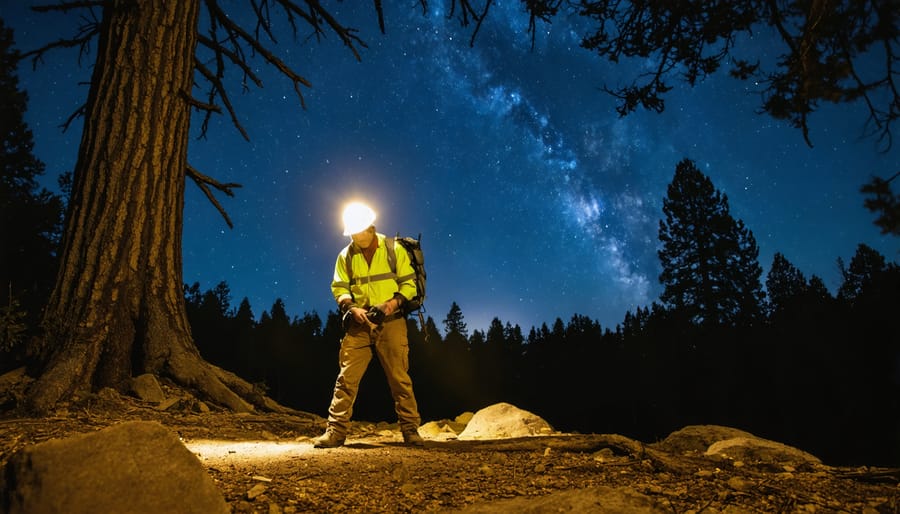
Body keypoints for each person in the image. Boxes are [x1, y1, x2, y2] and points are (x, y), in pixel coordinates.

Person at [312, 202, 425, 448]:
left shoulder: (394, 249)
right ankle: (336, 431)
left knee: (399, 378)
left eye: (360, 230)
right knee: (346, 378)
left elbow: (409, 286)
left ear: (371, 227)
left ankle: (410, 430)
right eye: (352, 232)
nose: (356, 236)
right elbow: (339, 288)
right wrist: (351, 307)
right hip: (358, 325)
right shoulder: (345, 255)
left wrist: (390, 306)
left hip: (392, 322)